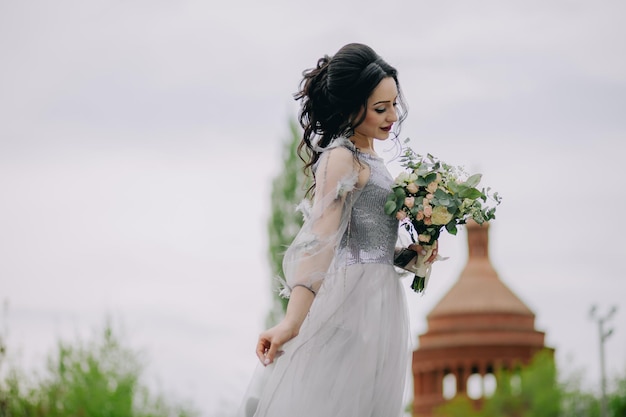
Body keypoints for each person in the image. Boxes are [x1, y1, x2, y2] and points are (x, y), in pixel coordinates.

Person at [240, 43, 438, 417]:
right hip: (352, 301)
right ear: (351, 107)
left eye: (394, 104)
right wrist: (291, 322)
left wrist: (410, 255)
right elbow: (321, 242)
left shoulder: (373, 159)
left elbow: (366, 239)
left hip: (382, 300)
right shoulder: (340, 157)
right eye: (381, 108)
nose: (392, 116)